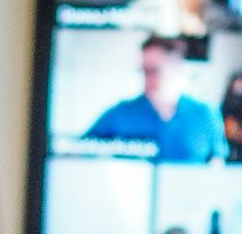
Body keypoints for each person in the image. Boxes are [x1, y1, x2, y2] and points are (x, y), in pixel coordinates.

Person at [84, 35, 227, 163]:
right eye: (143, 71)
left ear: (176, 67)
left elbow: (216, 166)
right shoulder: (120, 114)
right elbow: (80, 153)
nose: (147, 78)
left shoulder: (205, 114)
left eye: (154, 71)